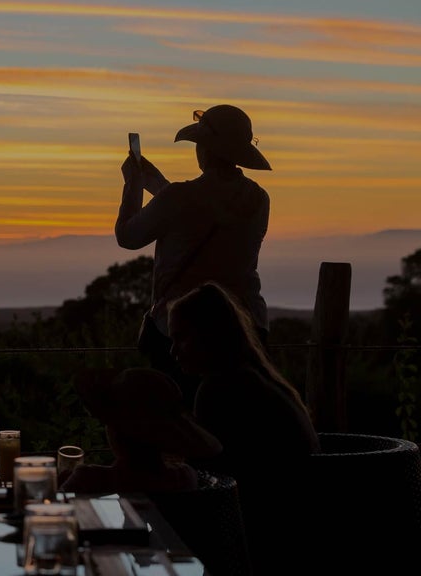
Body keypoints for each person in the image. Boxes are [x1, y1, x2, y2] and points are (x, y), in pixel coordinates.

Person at [114, 104, 272, 406]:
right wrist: (158, 185)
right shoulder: (258, 199)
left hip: (185, 335)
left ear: (206, 149)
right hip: (246, 328)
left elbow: (128, 236)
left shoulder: (179, 198)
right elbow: (199, 211)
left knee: (185, 423)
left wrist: (133, 185)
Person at [167, 281, 319, 574]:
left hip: (265, 536)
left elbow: (206, 484)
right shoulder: (257, 380)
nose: (174, 351)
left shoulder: (220, 389)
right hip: (299, 525)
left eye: (181, 338)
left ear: (209, 335)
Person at [60, 367, 221, 494]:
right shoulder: (185, 477)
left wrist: (63, 482)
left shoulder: (90, 480)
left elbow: (55, 510)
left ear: (116, 430)